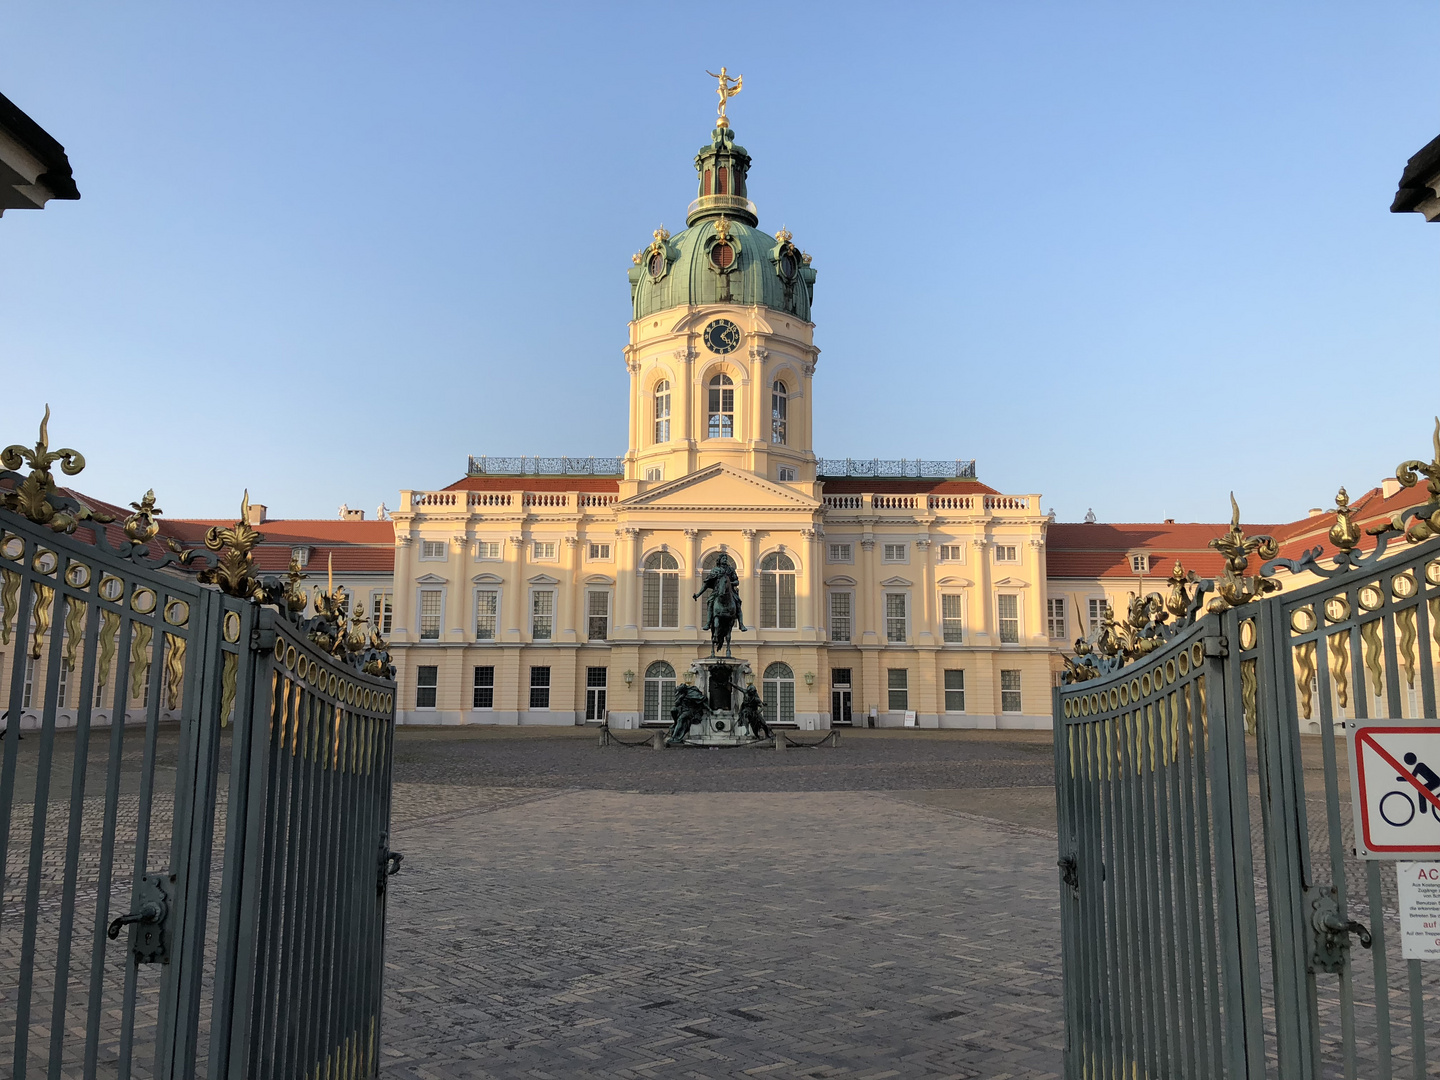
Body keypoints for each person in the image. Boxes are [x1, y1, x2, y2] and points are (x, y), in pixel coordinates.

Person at [696, 553, 746, 632]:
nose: (725, 560)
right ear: (719, 560)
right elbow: (706, 583)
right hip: (717, 592)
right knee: (710, 602)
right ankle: (708, 623)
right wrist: (698, 594)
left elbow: (736, 581)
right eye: (723, 558)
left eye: (726, 558)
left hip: (730, 591)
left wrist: (730, 583)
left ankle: (741, 624)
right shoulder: (715, 570)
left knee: (738, 602)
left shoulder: (731, 570)